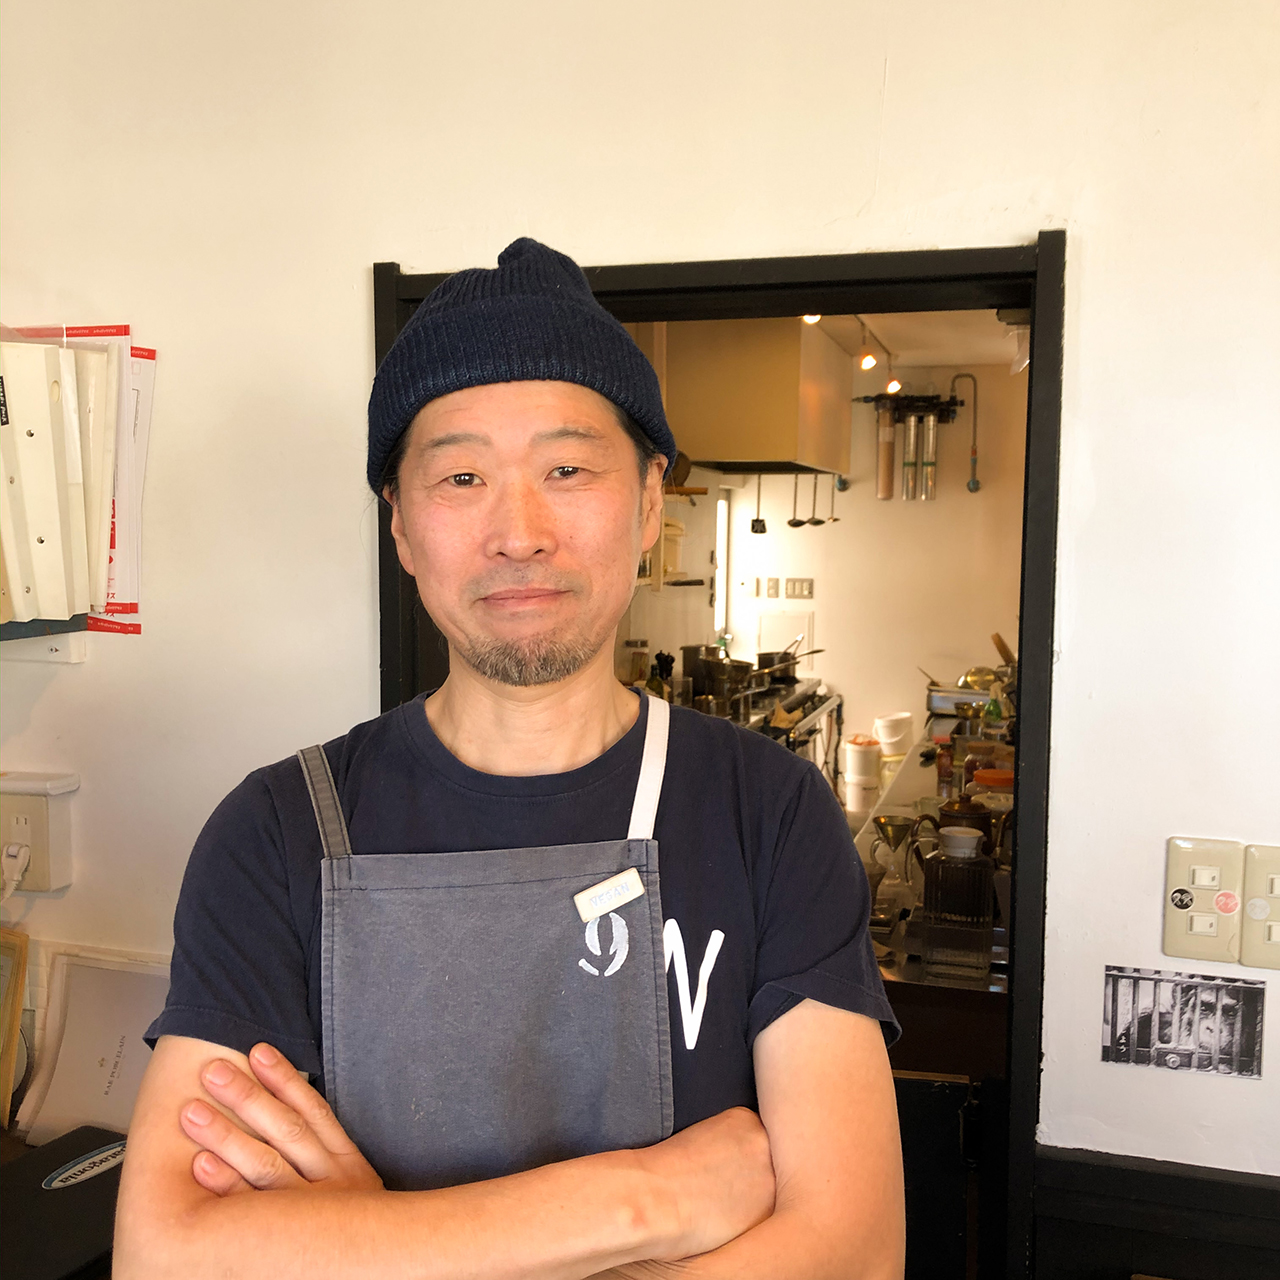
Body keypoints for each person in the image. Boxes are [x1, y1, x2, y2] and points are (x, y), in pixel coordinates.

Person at [114, 238, 905, 1279]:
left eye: (566, 469)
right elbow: (166, 1257)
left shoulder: (767, 813)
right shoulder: (277, 832)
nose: (518, 532)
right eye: (461, 476)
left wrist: (371, 1239)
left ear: (648, 502)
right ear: (401, 526)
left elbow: (854, 1255)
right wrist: (643, 1201)